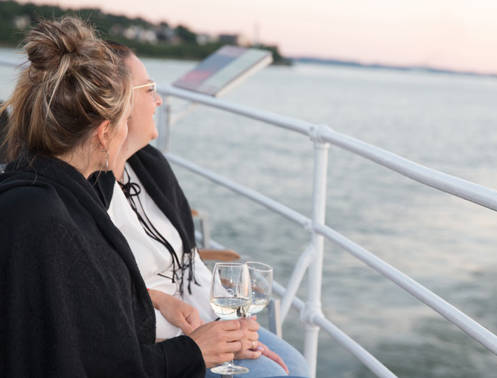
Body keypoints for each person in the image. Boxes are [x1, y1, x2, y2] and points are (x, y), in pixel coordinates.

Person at [0, 17, 244, 377]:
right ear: (104, 134)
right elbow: (104, 365)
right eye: (123, 123)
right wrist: (194, 351)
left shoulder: (38, 198)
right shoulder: (52, 222)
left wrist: (156, 300)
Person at [94, 41, 309, 378]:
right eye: (149, 88)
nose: (159, 100)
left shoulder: (149, 166)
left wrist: (232, 321)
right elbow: (98, 292)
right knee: (274, 375)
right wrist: (209, 336)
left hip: (199, 320)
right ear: (116, 102)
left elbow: (190, 261)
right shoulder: (86, 188)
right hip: (157, 342)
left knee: (297, 367)